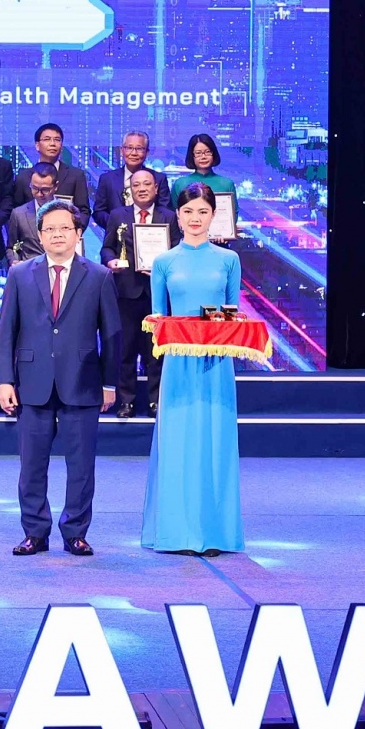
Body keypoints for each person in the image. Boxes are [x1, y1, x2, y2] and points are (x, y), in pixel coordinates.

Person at [0, 199, 121, 557]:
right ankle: (35, 532)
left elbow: (112, 335)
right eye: (50, 229)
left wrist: (109, 383)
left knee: (81, 466)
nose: (57, 234)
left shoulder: (98, 275)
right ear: (39, 234)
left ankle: (75, 532)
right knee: (32, 465)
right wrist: (5, 380)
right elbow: (7, 331)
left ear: (79, 233)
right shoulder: (20, 274)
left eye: (65, 228)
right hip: (31, 381)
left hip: (82, 381)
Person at [142, 183, 245, 555]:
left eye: (202, 211)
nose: (195, 218)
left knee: (216, 443)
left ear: (214, 215)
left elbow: (232, 313)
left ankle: (215, 533)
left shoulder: (228, 260)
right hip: (179, 365)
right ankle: (178, 532)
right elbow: (158, 317)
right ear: (177, 215)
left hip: (216, 364)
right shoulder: (163, 261)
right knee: (178, 443)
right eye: (188, 212)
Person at [100, 168, 179, 417]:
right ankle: (127, 402)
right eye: (136, 185)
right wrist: (111, 261)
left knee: (155, 350)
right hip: (126, 292)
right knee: (126, 350)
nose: (142, 189)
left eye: (147, 184)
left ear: (156, 188)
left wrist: (164, 267)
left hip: (158, 294)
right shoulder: (117, 215)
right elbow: (106, 248)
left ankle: (156, 401)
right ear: (129, 190)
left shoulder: (169, 217)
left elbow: (178, 250)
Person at [10, 122, 91, 221]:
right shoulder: (23, 177)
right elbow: (16, 212)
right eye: (47, 139)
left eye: (57, 140)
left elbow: (83, 211)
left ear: (61, 146)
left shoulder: (76, 176)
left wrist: (73, 229)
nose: (52, 144)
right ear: (37, 145)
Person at [94, 130, 171, 229]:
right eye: (129, 148)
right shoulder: (107, 179)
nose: (134, 153)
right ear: (122, 150)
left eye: (139, 149)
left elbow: (165, 212)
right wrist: (117, 224)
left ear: (147, 152)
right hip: (116, 236)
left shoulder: (159, 179)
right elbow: (99, 212)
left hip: (150, 234)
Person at [5, 164, 59, 264]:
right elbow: (12, 247)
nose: (39, 194)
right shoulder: (18, 214)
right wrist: (14, 261)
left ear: (56, 186)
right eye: (35, 188)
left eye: (45, 190)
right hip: (29, 269)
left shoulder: (67, 213)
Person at [170, 133, 237, 204]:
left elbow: (234, 210)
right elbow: (172, 210)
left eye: (208, 152)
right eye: (198, 153)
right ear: (192, 156)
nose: (203, 157)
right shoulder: (180, 184)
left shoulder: (227, 184)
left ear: (214, 154)